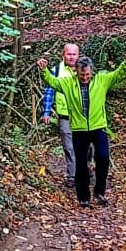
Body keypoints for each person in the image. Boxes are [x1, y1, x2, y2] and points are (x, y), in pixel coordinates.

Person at [38, 50, 126, 209]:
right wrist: (43, 69)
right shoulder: (68, 83)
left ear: (92, 71)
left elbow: (118, 75)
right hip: (79, 129)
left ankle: (100, 192)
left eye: (87, 74)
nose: (84, 77)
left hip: (98, 127)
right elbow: (51, 81)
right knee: (81, 163)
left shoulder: (101, 80)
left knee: (103, 158)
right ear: (76, 71)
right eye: (82, 75)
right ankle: (83, 197)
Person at [40, 41, 80, 187]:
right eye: (69, 54)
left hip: (82, 116)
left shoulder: (84, 69)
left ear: (78, 55)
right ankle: (72, 176)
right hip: (64, 116)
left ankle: (86, 167)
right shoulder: (56, 70)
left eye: (74, 54)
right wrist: (46, 112)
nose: (71, 57)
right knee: (68, 146)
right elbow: (49, 91)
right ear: (63, 55)